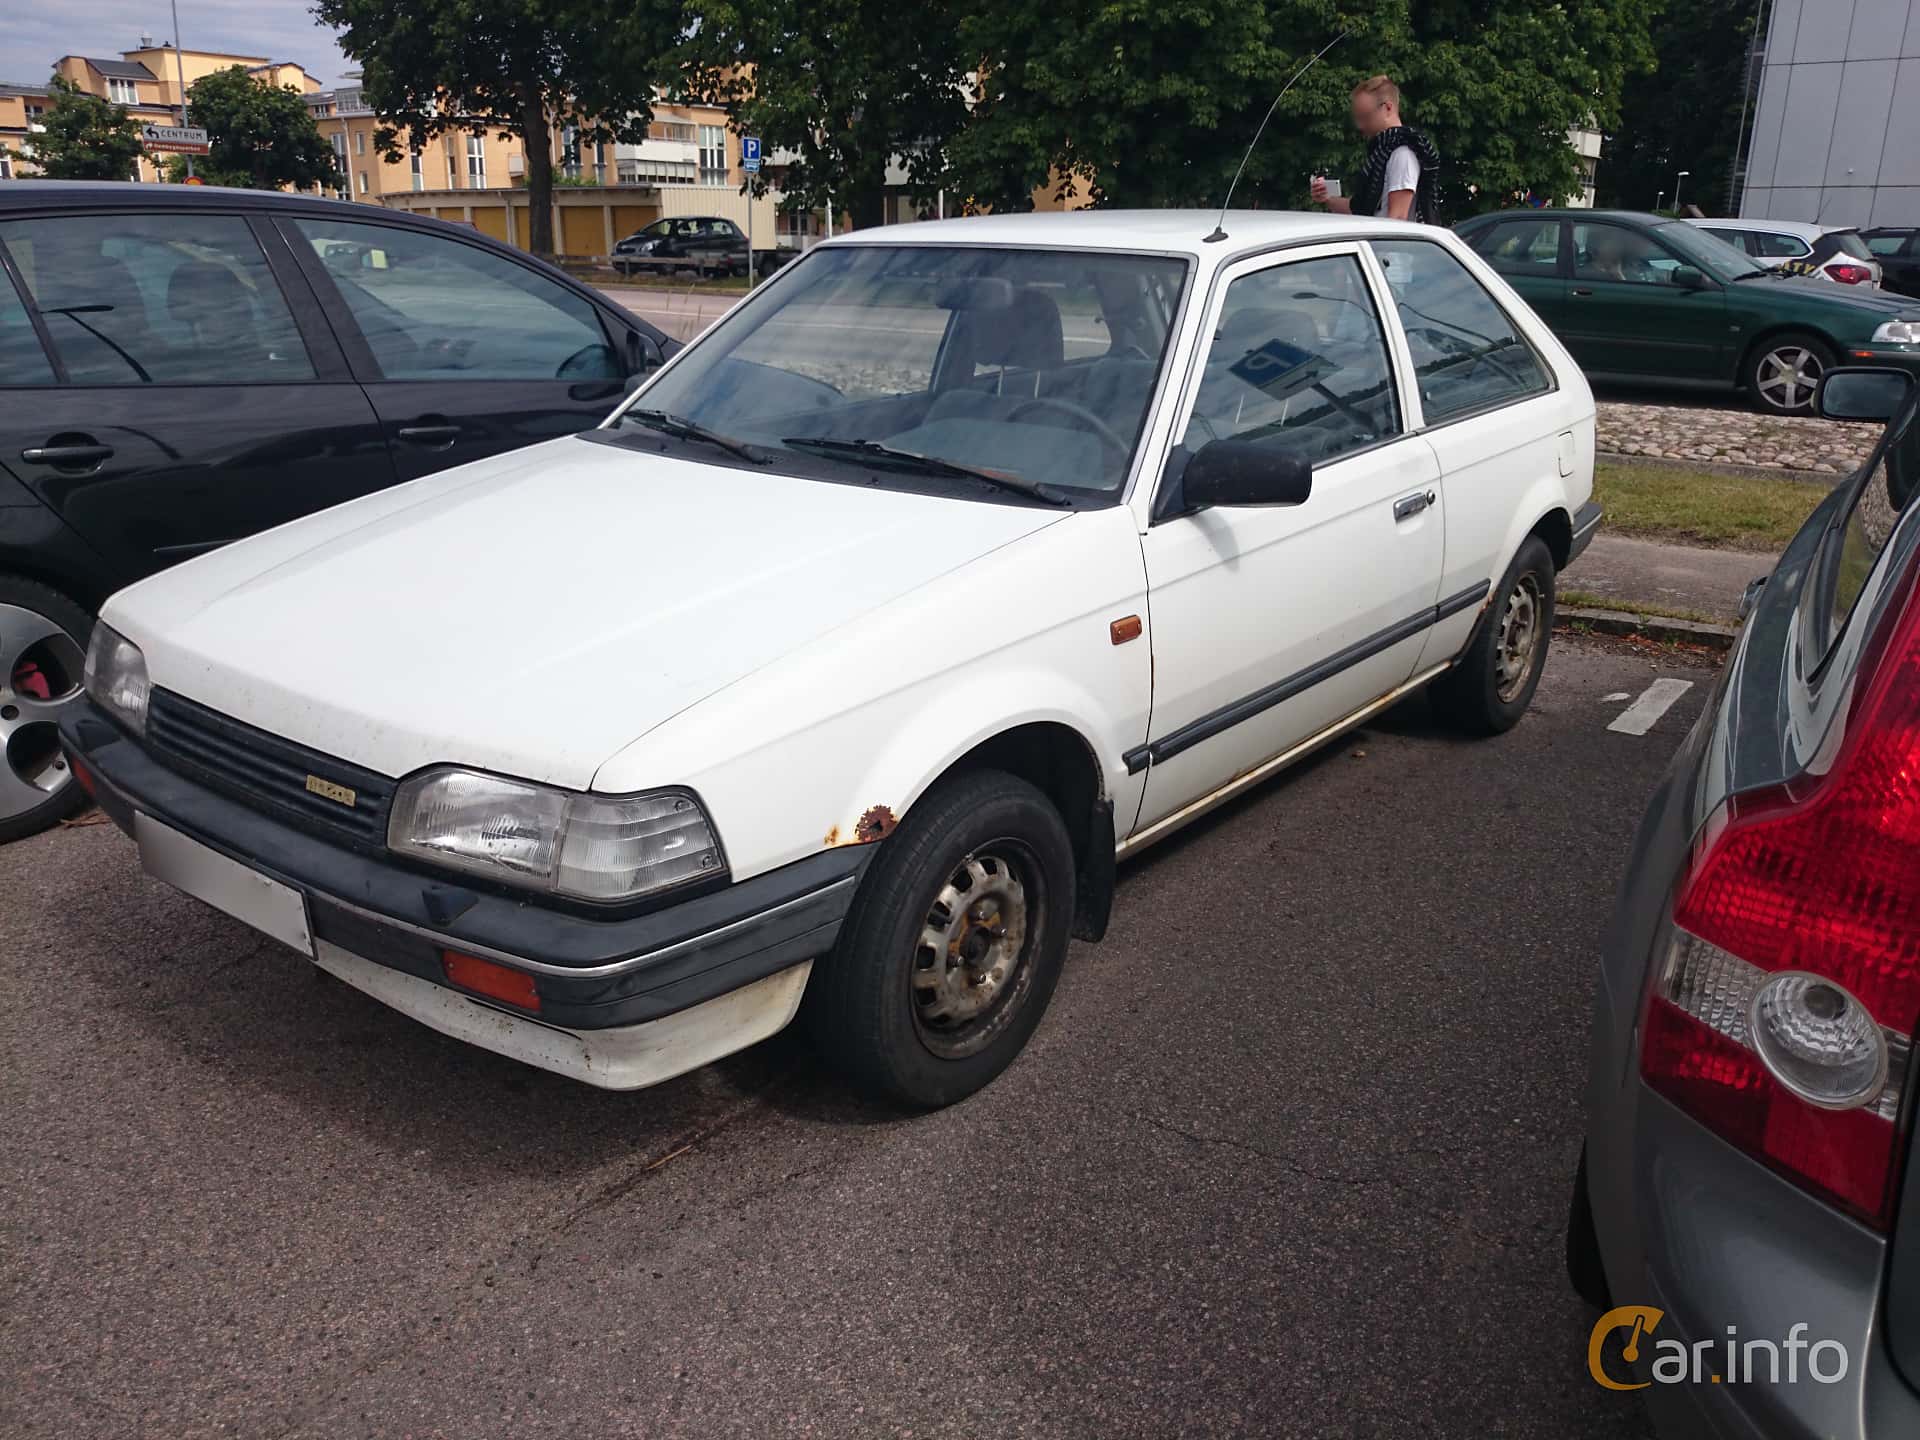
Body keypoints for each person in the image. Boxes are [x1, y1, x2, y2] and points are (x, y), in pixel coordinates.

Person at [1310, 75, 1441, 224]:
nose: (1360, 125)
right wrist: (1326, 198)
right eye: (1358, 118)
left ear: (1387, 108)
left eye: (1365, 117)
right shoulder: (1381, 156)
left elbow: (1398, 220)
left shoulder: (1402, 154)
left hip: (1387, 240)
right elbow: (1358, 210)